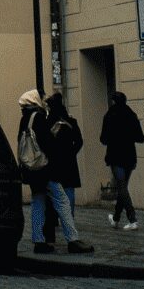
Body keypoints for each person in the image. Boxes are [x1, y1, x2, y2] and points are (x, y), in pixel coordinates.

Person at [18, 89, 92, 255]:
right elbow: (47, 143)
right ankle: (72, 240)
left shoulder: (25, 119)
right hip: (45, 170)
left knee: (38, 203)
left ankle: (38, 240)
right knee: (63, 202)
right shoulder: (38, 118)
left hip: (32, 171)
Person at [42, 92, 83, 245]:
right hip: (69, 164)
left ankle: (52, 229)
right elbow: (79, 141)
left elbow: (45, 143)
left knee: (53, 196)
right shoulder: (71, 121)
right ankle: (69, 223)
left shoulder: (47, 122)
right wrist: (71, 153)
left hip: (53, 164)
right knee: (69, 193)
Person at [102, 91, 144, 230]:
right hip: (130, 157)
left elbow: (103, 139)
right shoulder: (131, 115)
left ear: (113, 101)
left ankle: (133, 219)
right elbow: (140, 137)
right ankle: (115, 218)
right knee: (123, 187)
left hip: (116, 156)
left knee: (121, 187)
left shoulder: (109, 115)